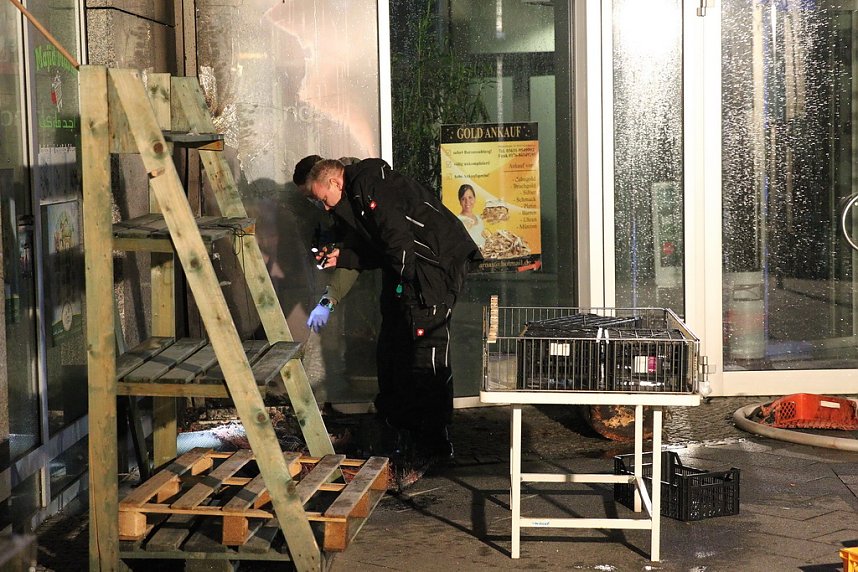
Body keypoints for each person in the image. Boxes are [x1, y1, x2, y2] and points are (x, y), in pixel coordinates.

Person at [302, 158, 482, 463]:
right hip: (422, 272)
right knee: (395, 349)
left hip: (434, 272)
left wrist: (403, 287)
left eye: (323, 200)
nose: (327, 208)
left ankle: (433, 441)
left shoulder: (370, 187)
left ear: (334, 182)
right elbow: (383, 247)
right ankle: (403, 430)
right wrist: (342, 257)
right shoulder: (359, 196)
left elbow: (398, 244)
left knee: (427, 351)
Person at [456, 184, 485, 248]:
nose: (467, 202)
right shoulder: (457, 221)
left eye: (470, 197)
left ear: (474, 199)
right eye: (463, 199)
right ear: (460, 201)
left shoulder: (479, 218)